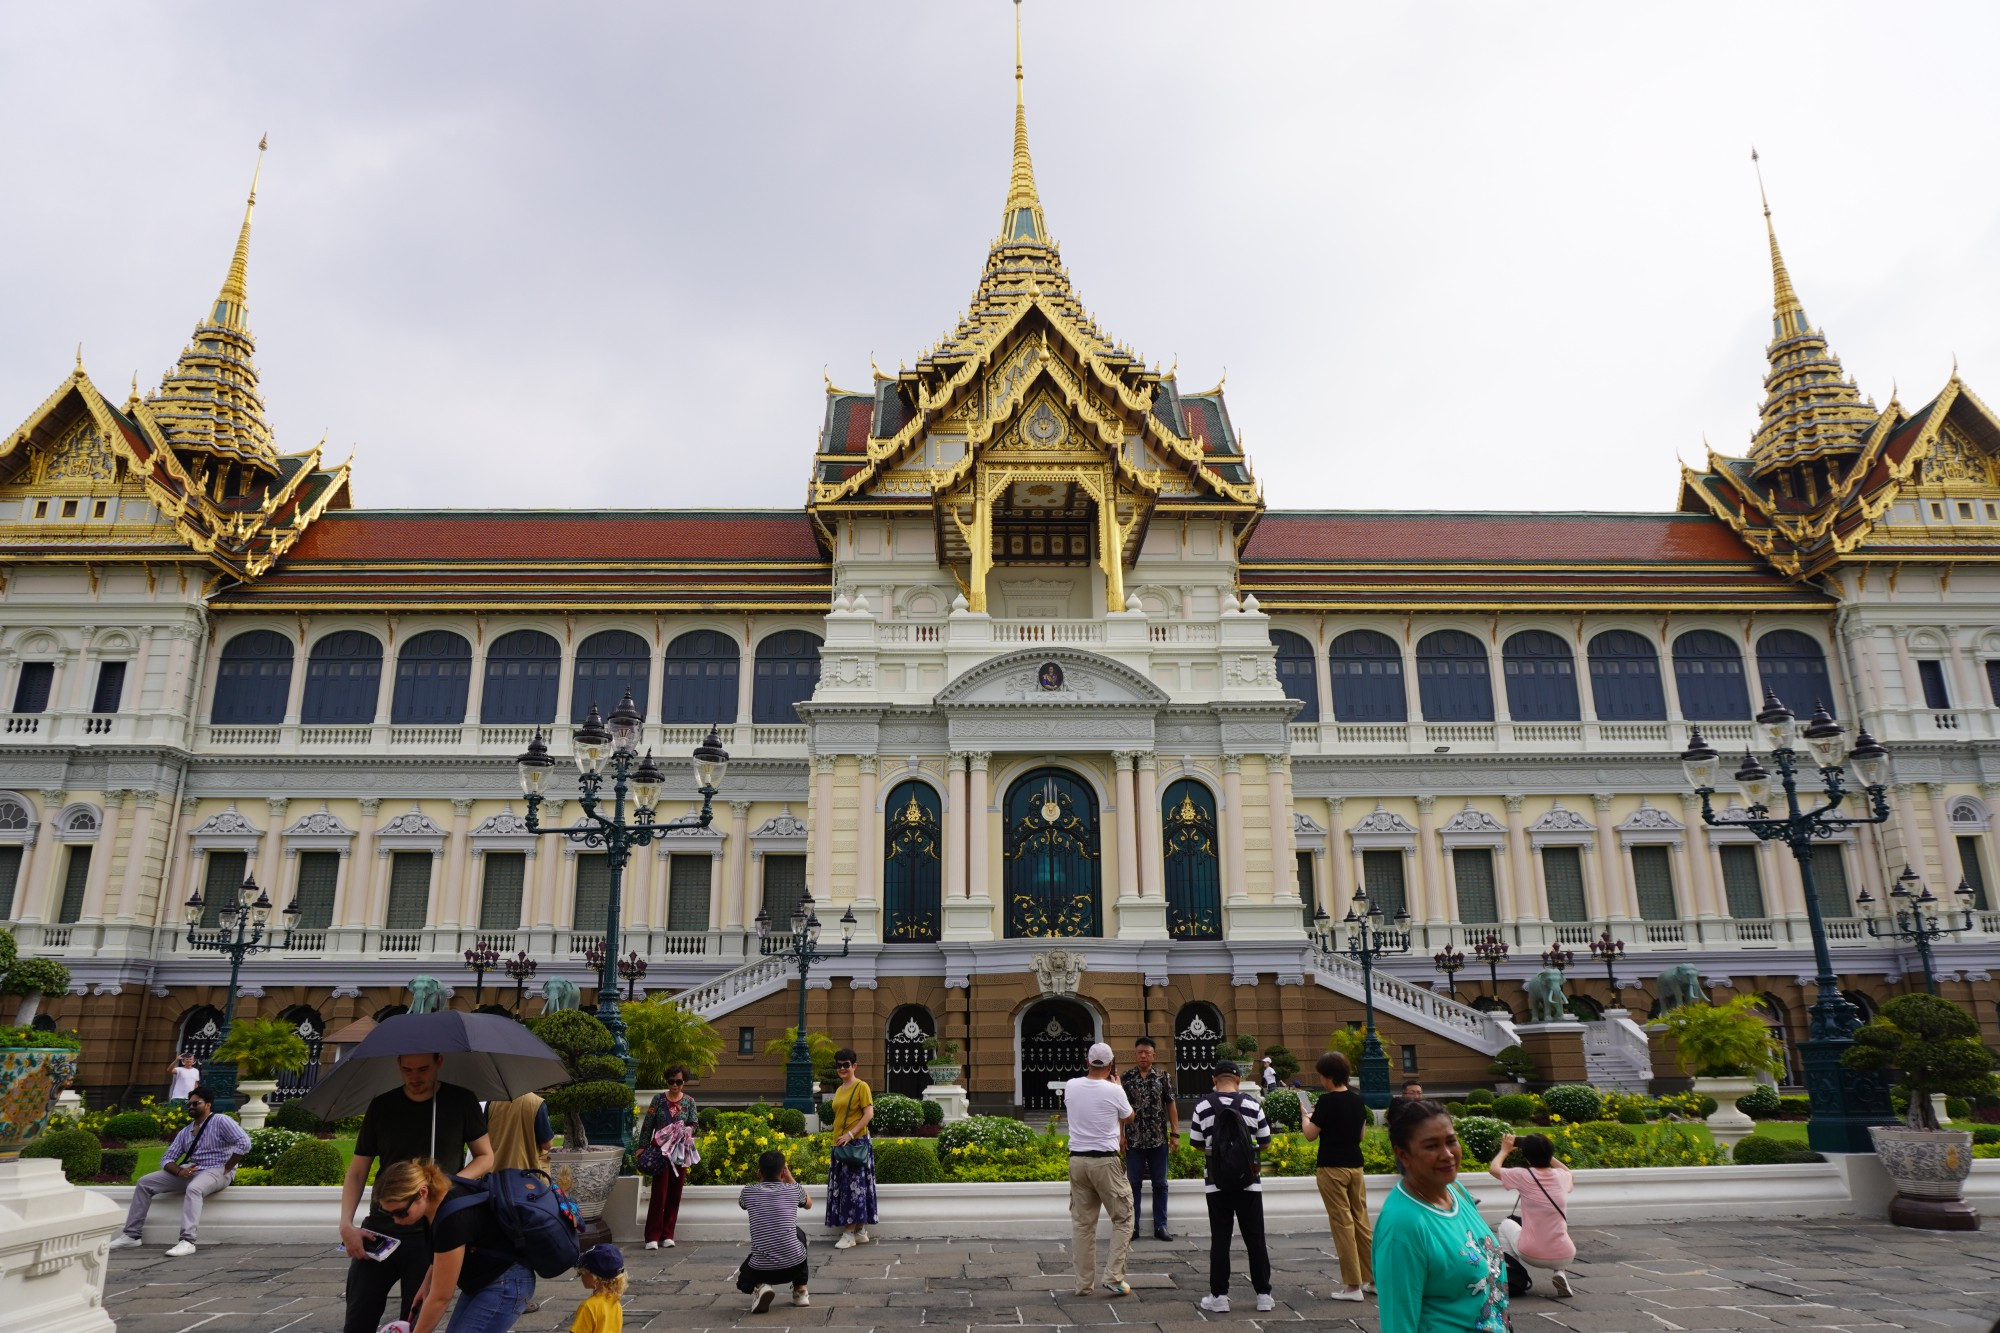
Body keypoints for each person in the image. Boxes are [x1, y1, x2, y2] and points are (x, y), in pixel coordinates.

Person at [338, 1052, 495, 1333]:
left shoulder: (460, 1101)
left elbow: (485, 1157)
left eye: (423, 1069)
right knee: (358, 1318)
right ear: (398, 1065)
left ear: (439, 1063)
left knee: (414, 1321)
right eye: (407, 1070)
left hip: (430, 1233)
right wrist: (346, 1224)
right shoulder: (382, 1105)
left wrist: (447, 1184)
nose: (414, 1077)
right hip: (381, 1229)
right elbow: (358, 1170)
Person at [1374, 1099, 1508, 1333]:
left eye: (1451, 1141)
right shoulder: (1403, 1225)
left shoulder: (1456, 1190)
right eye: (1431, 1146)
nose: (1447, 1154)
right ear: (1403, 1155)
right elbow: (1398, 1323)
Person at [374, 1157, 533, 1333]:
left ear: (422, 1193)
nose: (396, 1220)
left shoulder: (452, 1219)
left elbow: (441, 1298)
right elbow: (441, 1256)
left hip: (507, 1282)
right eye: (389, 1214)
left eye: (401, 1212)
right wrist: (426, 1285)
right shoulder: (439, 1196)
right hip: (485, 1277)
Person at [109, 1084, 250, 1257]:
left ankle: (188, 1240)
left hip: (217, 1170)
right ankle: (132, 1235)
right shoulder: (186, 1131)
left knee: (194, 1188)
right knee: (144, 1183)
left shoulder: (220, 1121)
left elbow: (244, 1143)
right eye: (189, 1104)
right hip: (192, 1171)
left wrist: (227, 1167)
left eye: (195, 1103)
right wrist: (179, 1171)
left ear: (208, 1104)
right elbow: (167, 1158)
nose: (191, 1107)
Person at [1188, 1059, 1274, 1314]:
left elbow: (1196, 1143)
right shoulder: (1251, 1104)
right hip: (1250, 1183)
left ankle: (1219, 1296)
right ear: (1238, 1080)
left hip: (1217, 1183)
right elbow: (1266, 1141)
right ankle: (1263, 1295)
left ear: (1214, 1080)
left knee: (1221, 1239)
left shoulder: (1203, 1106)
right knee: (1255, 1238)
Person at [1063, 1041, 1135, 1299]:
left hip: (1077, 1161)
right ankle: (1114, 1277)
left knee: (1083, 1225)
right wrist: (1118, 1089)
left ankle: (1083, 1284)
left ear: (1087, 1062)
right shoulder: (1114, 1090)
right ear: (1111, 1065)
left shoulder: (1071, 1085)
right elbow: (1129, 1117)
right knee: (1124, 1218)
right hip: (1105, 1161)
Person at [1302, 1051, 1372, 1301]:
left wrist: (1305, 1117)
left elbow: (1310, 1134)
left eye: (1321, 1076)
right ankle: (1374, 1279)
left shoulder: (1327, 1102)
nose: (1321, 1080)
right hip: (1356, 1166)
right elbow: (1361, 1136)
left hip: (1332, 1167)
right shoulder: (1358, 1100)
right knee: (1362, 1223)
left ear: (1329, 1077)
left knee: (1343, 1224)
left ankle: (1353, 1286)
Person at [1489, 1130, 1577, 1298]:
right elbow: (1569, 1173)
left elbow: (1494, 1169)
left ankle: (1514, 1274)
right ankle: (1559, 1272)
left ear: (1527, 1157)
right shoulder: (1561, 1176)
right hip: (1565, 1255)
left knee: (1506, 1225)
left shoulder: (1523, 1175)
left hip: (1531, 1254)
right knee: (1557, 1229)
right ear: (1550, 1153)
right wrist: (1545, 1152)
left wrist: (1505, 1150)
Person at [737, 1148, 814, 1312]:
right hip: (795, 1266)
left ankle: (760, 1286)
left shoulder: (748, 1192)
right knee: (798, 1234)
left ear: (759, 1173)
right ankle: (800, 1290)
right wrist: (790, 1178)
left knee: (745, 1273)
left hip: (762, 1270)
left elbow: (742, 1204)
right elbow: (809, 1204)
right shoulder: (793, 1189)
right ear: (782, 1173)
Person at [1119, 1036, 1177, 1242]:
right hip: (1134, 1141)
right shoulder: (1127, 1078)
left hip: (1158, 1139)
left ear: (1154, 1055)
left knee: (1160, 1184)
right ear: (1135, 1054)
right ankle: (1132, 1227)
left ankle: (1160, 1226)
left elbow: (1170, 1104)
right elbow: (1121, 1109)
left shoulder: (1162, 1077)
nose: (1143, 1055)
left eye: (1147, 1052)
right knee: (1133, 1183)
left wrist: (1175, 1133)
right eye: (1139, 1052)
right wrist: (1121, 1135)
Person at [638, 1063, 700, 1249]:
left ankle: (668, 1234)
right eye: (671, 1081)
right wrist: (642, 1146)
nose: (674, 1085)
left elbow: (695, 1123)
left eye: (679, 1082)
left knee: (675, 1193)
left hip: (679, 1152)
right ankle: (652, 1236)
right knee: (659, 1194)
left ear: (684, 1082)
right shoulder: (658, 1100)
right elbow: (648, 1124)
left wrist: (688, 1129)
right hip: (660, 1152)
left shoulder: (689, 1101)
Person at [825, 1047, 877, 1249]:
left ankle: (849, 1233)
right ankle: (860, 1231)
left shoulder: (861, 1086)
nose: (842, 1068)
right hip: (841, 1144)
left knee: (853, 1189)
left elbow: (869, 1114)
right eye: (839, 1065)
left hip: (855, 1143)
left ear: (854, 1066)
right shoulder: (839, 1089)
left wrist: (851, 1134)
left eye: (846, 1065)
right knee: (852, 1188)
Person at [483, 1092, 552, 1176]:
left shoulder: (492, 1102)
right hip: (526, 1176)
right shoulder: (536, 1103)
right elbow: (547, 1144)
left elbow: (483, 1136)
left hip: (496, 1174)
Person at [571, 1243, 627, 1332]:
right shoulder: (614, 1301)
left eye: (581, 1273)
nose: (581, 1276)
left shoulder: (588, 1307)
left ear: (594, 1278)